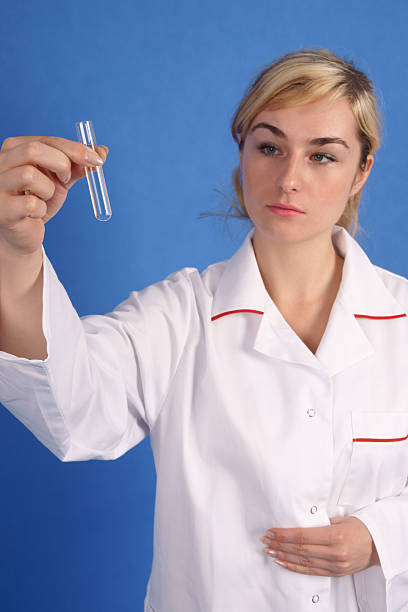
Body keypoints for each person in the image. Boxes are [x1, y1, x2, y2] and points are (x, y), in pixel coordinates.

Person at [0, 47, 407, 612]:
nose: (289, 179)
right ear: (242, 154)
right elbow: (72, 411)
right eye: (270, 147)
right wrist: (16, 254)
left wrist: (383, 536)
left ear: (362, 170)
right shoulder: (181, 316)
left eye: (323, 156)